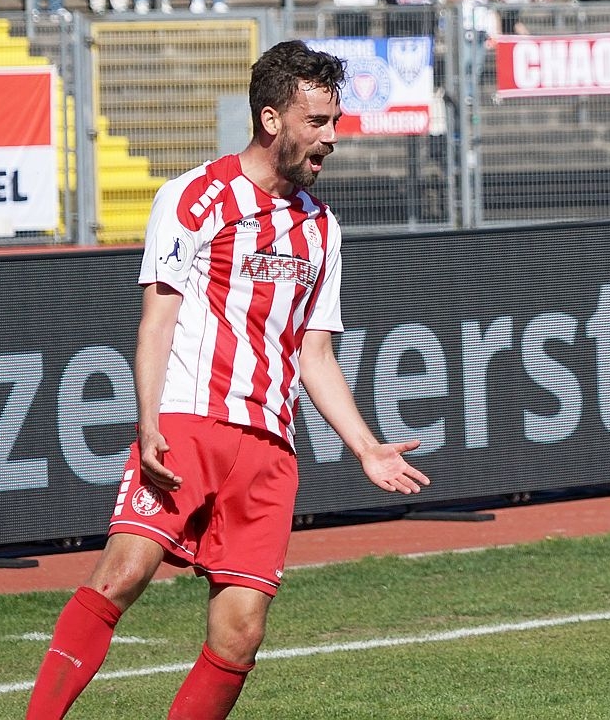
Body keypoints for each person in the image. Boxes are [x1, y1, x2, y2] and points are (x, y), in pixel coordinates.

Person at [24, 41, 429, 720]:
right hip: (188, 425)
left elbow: (315, 354)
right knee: (122, 575)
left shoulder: (321, 227)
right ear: (272, 120)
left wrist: (365, 447)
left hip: (269, 448)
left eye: (334, 121)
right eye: (317, 121)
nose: (331, 137)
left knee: (240, 635)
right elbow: (156, 322)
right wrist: (148, 423)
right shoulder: (194, 197)